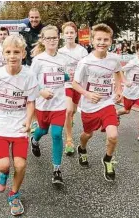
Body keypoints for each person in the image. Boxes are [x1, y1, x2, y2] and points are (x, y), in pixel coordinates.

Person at [0, 35, 38, 216]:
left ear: (23, 54)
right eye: (8, 52)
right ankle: (3, 174)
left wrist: (29, 120)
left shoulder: (29, 76)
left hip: (19, 125)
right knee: (4, 165)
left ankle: (14, 195)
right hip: (1, 124)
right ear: (2, 54)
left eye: (16, 52)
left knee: (20, 165)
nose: (12, 56)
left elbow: (30, 101)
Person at [72, 23, 123, 182]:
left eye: (106, 39)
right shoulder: (85, 62)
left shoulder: (114, 58)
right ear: (92, 41)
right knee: (88, 134)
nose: (102, 42)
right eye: (99, 39)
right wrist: (87, 94)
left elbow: (117, 74)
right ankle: (82, 148)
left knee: (113, 136)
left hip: (107, 103)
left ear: (110, 41)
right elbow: (75, 84)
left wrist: (119, 90)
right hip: (89, 106)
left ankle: (108, 159)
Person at [30, 25, 69, 185]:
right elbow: (31, 81)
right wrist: (41, 91)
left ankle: (57, 170)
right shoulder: (38, 60)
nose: (52, 40)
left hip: (59, 105)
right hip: (43, 105)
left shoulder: (63, 58)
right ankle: (34, 140)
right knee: (43, 130)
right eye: (48, 38)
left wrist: (68, 77)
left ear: (58, 39)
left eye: (54, 37)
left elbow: (64, 75)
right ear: (43, 40)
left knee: (57, 134)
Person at [58, 21, 88, 156]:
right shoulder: (60, 52)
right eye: (67, 33)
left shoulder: (82, 51)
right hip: (66, 85)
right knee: (68, 111)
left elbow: (86, 69)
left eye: (71, 32)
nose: (69, 35)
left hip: (78, 85)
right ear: (62, 35)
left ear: (76, 34)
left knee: (74, 111)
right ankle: (69, 141)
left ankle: (70, 120)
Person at [117, 40, 139, 143]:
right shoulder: (133, 62)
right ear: (137, 51)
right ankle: (116, 113)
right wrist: (125, 81)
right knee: (127, 110)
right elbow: (120, 70)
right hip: (130, 91)